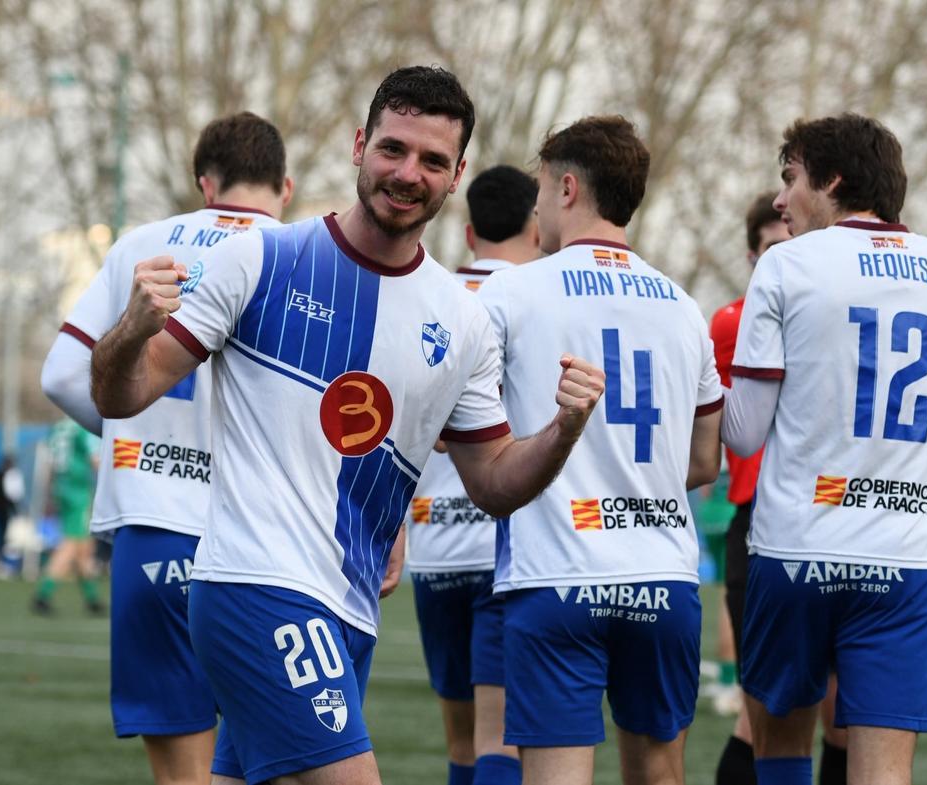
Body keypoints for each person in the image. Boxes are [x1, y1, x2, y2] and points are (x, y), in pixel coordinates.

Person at [90, 66, 605, 785]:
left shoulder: (461, 318)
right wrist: (130, 329)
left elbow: (492, 481)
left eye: (431, 160)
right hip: (256, 585)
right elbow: (125, 392)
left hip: (352, 610)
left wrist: (563, 428)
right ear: (359, 145)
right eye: (393, 149)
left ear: (455, 175)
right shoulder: (265, 258)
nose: (407, 173)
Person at [41, 112, 292, 785]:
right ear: (286, 186)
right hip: (268, 538)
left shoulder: (143, 245)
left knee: (182, 774)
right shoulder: (304, 254)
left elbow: (61, 376)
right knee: (274, 759)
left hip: (156, 528)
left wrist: (129, 431)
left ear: (205, 184)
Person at [477, 115, 723, 785]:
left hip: (556, 573)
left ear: (565, 187)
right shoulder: (682, 306)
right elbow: (704, 461)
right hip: (664, 578)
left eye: (537, 190)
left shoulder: (513, 289)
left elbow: (462, 424)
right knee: (660, 772)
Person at [722, 113, 927, 785]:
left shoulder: (787, 263)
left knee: (781, 754)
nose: (781, 200)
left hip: (797, 549)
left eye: (791, 179)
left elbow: (744, 432)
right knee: (882, 773)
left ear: (832, 179)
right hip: (906, 555)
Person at [405, 164, 540, 785]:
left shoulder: (432, 297)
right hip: (504, 546)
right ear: (536, 227)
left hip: (433, 548)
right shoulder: (539, 297)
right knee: (500, 739)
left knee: (461, 741)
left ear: (466, 230)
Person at [713, 193, 849, 785]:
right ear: (753, 258)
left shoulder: (831, 306)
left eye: (792, 246)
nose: (785, 258)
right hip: (764, 525)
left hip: (836, 519)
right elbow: (740, 429)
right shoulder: (734, 320)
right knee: (764, 717)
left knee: (843, 719)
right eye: (772, 249)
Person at [32, 417, 104, 615]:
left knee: (84, 547)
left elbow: (50, 462)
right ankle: (43, 594)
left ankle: (92, 600)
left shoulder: (57, 427)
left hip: (61, 487)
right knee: (72, 543)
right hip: (78, 491)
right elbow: (95, 460)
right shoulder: (83, 427)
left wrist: (49, 493)